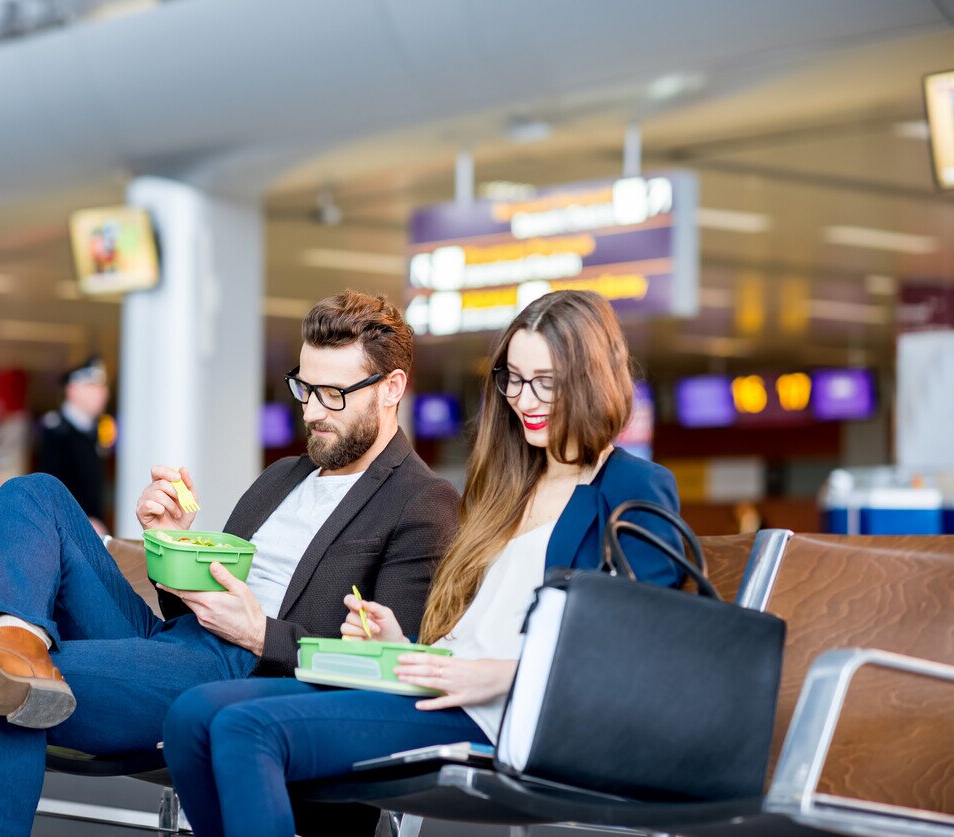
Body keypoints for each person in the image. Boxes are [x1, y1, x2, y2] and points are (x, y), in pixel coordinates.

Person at [0, 291, 460, 837]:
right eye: (304, 388)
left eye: (333, 394)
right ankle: (17, 638)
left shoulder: (421, 500)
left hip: (247, 673)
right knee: (32, 493)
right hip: (181, 643)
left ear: (391, 388)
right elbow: (194, 609)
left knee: (0, 689)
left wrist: (261, 634)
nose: (312, 410)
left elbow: (385, 667)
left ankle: (15, 658)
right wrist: (171, 548)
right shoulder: (283, 476)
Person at [160, 290, 685, 837]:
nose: (524, 399)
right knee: (193, 716)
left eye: (546, 382)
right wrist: (399, 647)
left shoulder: (632, 487)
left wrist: (497, 675)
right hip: (434, 685)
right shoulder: (508, 488)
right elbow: (474, 632)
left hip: (500, 713)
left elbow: (633, 658)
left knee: (246, 728)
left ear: (593, 378)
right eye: (513, 378)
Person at [40, 356, 110, 536]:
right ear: (72, 390)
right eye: (91, 386)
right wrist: (83, 520)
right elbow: (52, 489)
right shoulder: (57, 431)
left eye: (102, 387)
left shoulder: (92, 431)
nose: (102, 393)